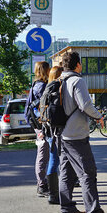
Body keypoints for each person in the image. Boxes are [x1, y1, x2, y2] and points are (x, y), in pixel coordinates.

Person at [58, 51, 107, 213]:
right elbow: (85, 105)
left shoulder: (58, 81)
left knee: (66, 173)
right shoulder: (77, 81)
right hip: (76, 135)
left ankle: (67, 210)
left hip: (61, 135)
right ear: (77, 65)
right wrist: (98, 116)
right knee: (87, 173)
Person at [25, 61, 50, 197]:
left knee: (43, 153)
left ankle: (42, 183)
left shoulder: (36, 84)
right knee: (43, 153)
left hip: (38, 124)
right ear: (45, 70)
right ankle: (41, 185)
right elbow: (43, 108)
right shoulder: (41, 87)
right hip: (41, 125)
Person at [43, 66, 63, 204]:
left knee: (53, 160)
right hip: (57, 130)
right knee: (57, 160)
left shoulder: (47, 88)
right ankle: (54, 195)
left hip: (48, 130)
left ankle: (52, 194)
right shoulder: (58, 88)